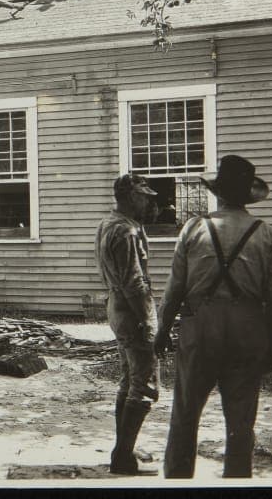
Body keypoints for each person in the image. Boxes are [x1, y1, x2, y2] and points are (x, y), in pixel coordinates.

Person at [154, 155, 272, 478]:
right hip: (248, 330)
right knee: (241, 423)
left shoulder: (193, 228)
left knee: (185, 415)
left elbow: (174, 290)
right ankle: (237, 480)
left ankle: (177, 480)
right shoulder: (266, 234)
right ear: (246, 196)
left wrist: (161, 331)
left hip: (200, 328)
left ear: (219, 193)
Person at [95, 173, 160, 475]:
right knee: (144, 384)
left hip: (117, 307)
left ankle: (123, 450)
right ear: (131, 197)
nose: (149, 202)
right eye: (145, 196)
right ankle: (122, 457)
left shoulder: (110, 223)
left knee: (129, 380)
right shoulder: (126, 232)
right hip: (131, 311)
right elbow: (135, 283)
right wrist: (149, 323)